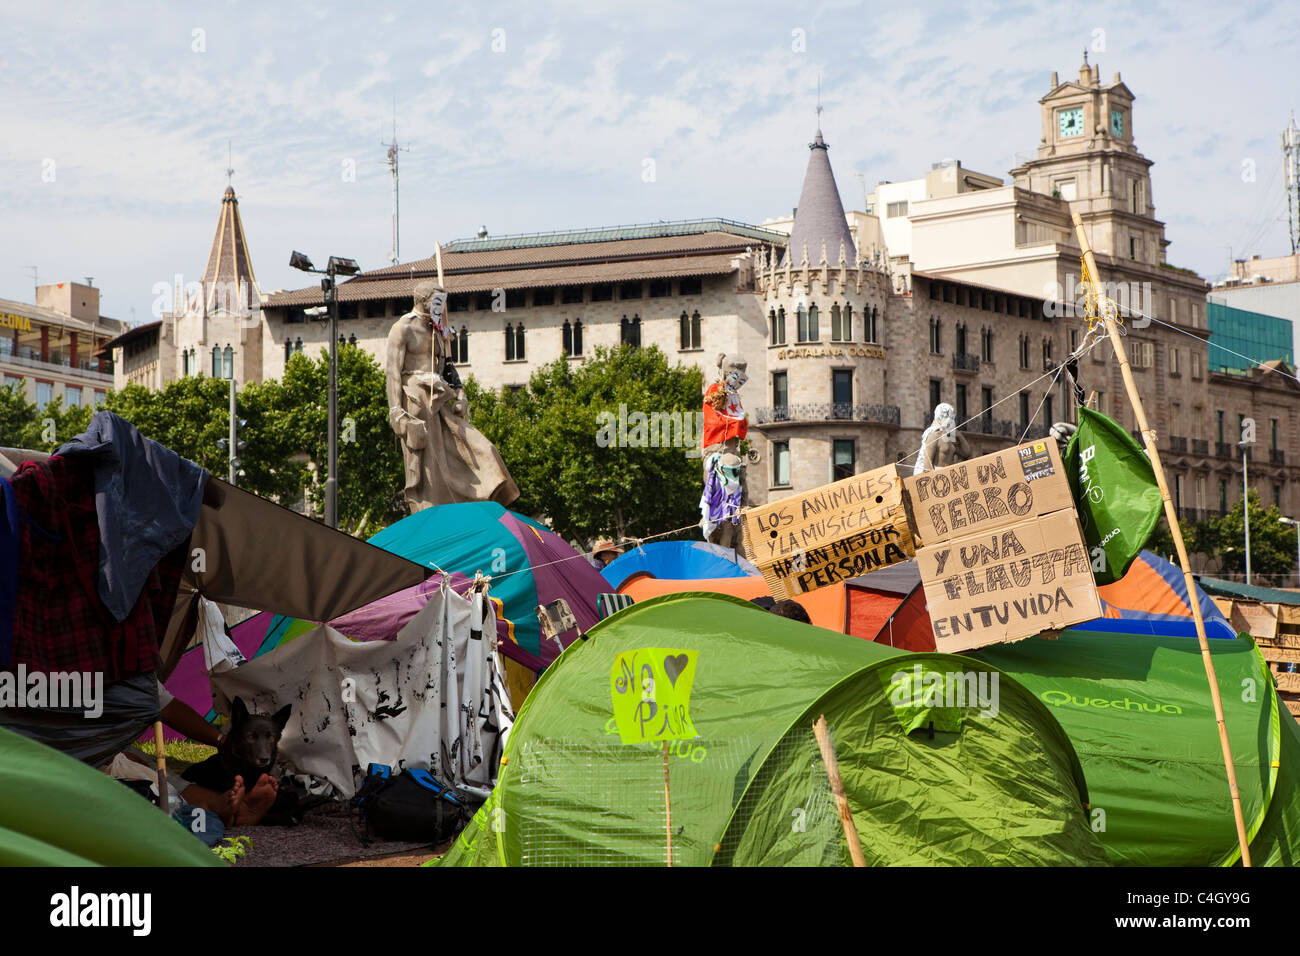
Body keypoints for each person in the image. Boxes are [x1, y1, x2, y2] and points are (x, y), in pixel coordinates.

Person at [385, 280, 519, 510]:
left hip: (442, 399)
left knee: (482, 448)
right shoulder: (403, 328)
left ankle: (481, 498)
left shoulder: (439, 330)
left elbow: (448, 367)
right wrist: (396, 411)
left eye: (443, 304)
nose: (441, 309)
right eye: (437, 303)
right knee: (429, 465)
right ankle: (429, 507)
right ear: (422, 301)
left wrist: (461, 395)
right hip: (417, 401)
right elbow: (393, 373)